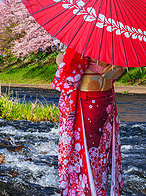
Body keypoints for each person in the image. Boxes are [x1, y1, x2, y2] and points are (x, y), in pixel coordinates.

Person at [52, 48, 125, 196]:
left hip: (87, 102)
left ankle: (86, 191)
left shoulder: (84, 42)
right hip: (105, 100)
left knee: (84, 150)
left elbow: (68, 76)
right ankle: (100, 188)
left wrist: (61, 61)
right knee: (100, 150)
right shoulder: (111, 41)